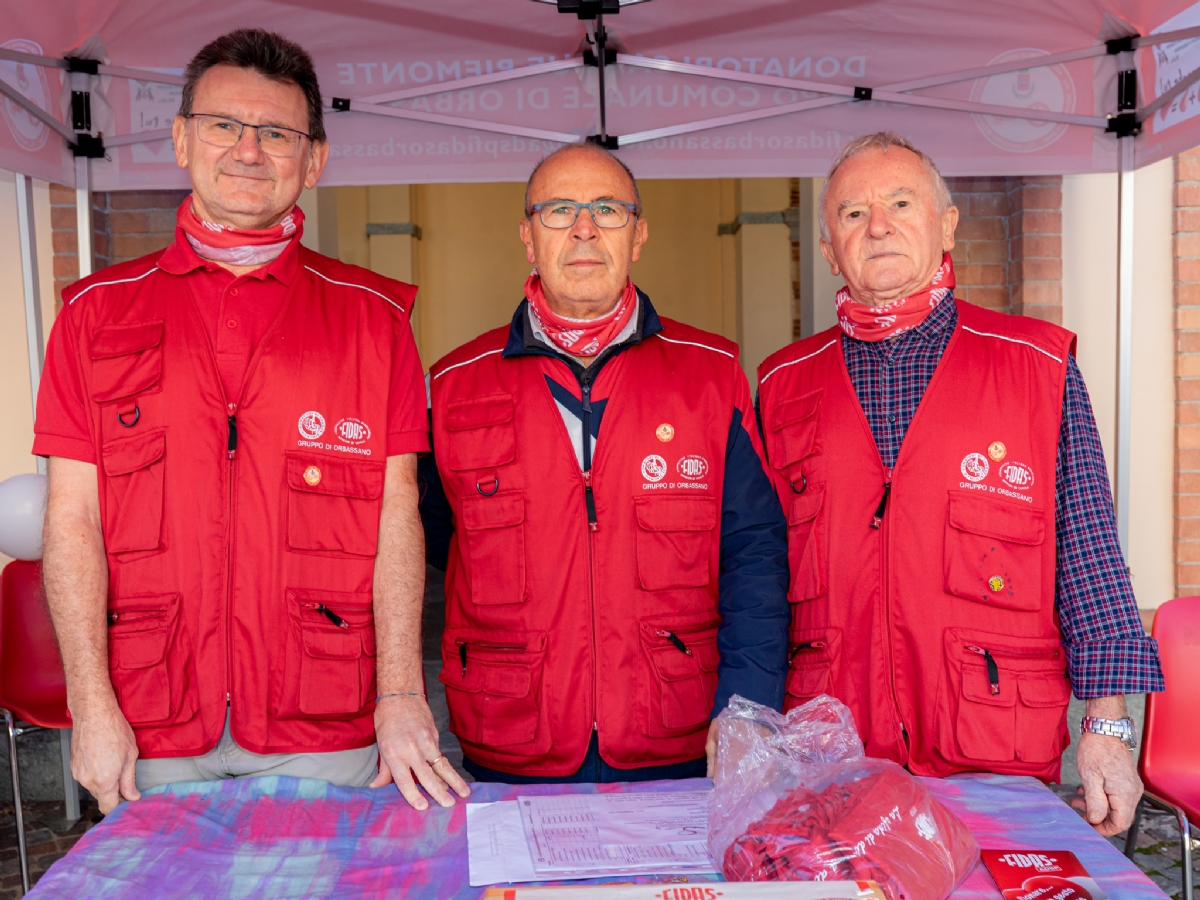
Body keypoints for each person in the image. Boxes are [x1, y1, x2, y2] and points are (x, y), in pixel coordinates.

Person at [35, 28, 468, 814]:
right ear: (181, 139)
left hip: (324, 721)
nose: (249, 149)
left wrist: (402, 693)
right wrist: (90, 703)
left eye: (277, 132)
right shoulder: (92, 315)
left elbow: (396, 517)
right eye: (224, 125)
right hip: (151, 720)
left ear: (315, 159)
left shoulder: (376, 319)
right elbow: (71, 521)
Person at [756, 132, 1164, 836]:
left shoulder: (1038, 365)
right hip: (833, 755)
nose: (877, 225)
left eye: (900, 202)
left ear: (946, 224)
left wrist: (1109, 727)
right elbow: (754, 575)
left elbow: (1088, 550)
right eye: (852, 213)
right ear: (829, 249)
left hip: (991, 750)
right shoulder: (780, 383)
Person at [419, 142, 790, 782]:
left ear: (638, 234)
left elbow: (752, 554)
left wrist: (746, 711)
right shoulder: (452, 384)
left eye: (608, 210)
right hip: (512, 741)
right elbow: (436, 543)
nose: (584, 228)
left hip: (676, 739)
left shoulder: (712, 373)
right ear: (528, 237)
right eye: (559, 210)